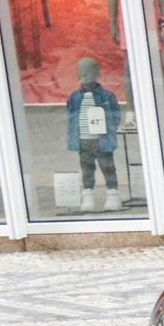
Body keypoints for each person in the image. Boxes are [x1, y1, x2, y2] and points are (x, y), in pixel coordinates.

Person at [65, 56, 124, 212]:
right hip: (83, 140)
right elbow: (71, 117)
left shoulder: (107, 96)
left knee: (108, 168)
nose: (86, 77)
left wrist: (108, 131)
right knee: (87, 169)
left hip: (102, 140)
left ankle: (112, 195)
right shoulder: (74, 97)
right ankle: (88, 196)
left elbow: (116, 116)